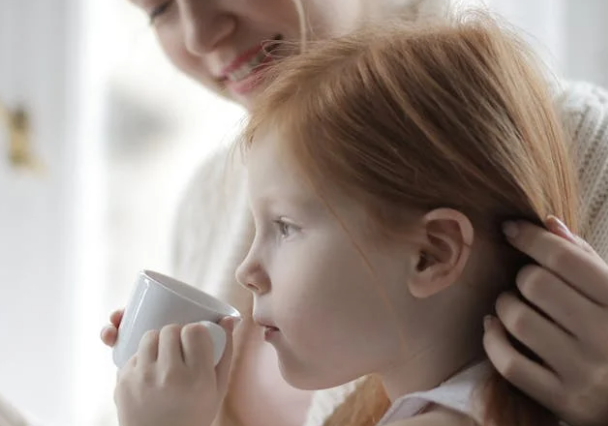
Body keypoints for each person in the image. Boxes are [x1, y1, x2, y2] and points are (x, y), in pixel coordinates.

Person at [101, 2, 608, 426]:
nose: (199, 33)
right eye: (159, 7)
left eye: (284, 227)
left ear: (432, 254)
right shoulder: (210, 194)